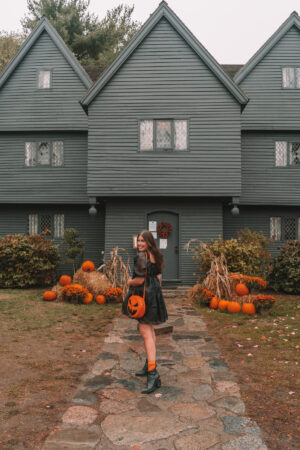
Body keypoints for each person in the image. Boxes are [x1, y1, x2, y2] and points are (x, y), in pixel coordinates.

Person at [122, 230, 168, 394]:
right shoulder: (156, 255)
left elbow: (139, 279)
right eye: (139, 241)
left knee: (144, 331)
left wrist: (128, 282)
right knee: (150, 330)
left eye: (143, 241)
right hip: (153, 294)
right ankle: (150, 363)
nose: (140, 243)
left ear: (149, 242)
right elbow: (159, 277)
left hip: (144, 296)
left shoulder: (141, 256)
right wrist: (155, 292)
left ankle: (153, 373)